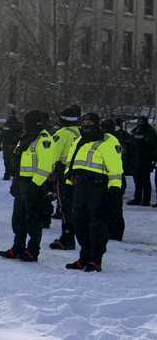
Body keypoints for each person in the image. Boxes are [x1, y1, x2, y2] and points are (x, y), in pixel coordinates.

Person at [63, 112, 123, 272]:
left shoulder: (108, 141)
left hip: (98, 188)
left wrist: (115, 189)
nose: (86, 126)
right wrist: (68, 182)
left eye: (90, 123)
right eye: (84, 123)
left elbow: (116, 168)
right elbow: (71, 162)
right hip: (79, 186)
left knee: (97, 225)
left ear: (97, 124)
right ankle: (84, 258)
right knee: (79, 223)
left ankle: (96, 260)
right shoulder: (78, 140)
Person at [0, 110, 56, 262]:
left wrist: (34, 185)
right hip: (21, 182)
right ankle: (18, 247)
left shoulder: (44, 140)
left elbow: (45, 166)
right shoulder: (25, 138)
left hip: (34, 184)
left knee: (32, 218)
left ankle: (32, 250)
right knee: (18, 219)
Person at [48, 105, 82, 251]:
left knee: (65, 206)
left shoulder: (62, 134)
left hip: (64, 173)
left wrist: (49, 172)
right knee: (75, 206)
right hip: (79, 175)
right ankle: (74, 236)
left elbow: (52, 155)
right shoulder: (80, 133)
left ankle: (67, 238)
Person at [126, 118, 156, 206]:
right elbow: (131, 140)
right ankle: (137, 198)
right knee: (137, 180)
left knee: (145, 180)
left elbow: (151, 144)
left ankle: (146, 200)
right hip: (136, 158)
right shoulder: (136, 130)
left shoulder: (150, 131)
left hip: (146, 159)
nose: (140, 123)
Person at [0, 109, 23, 181]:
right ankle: (13, 174)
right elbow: (21, 135)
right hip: (15, 145)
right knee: (15, 160)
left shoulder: (6, 124)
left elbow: (2, 135)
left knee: (7, 160)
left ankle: (8, 174)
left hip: (7, 145)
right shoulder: (19, 124)